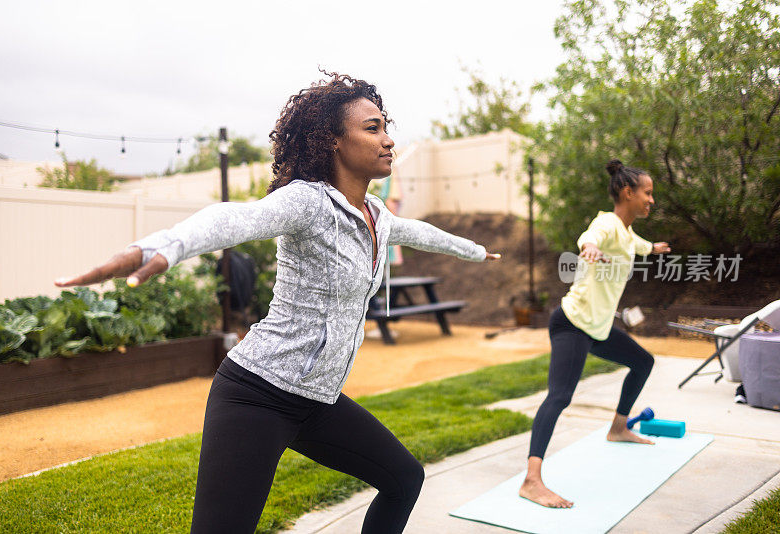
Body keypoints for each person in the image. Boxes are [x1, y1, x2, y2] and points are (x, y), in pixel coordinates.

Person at [55, 72, 500, 533]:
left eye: (386, 126)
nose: (388, 140)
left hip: (316, 401)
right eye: (372, 128)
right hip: (257, 394)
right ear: (332, 140)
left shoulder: (377, 215)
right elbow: (240, 217)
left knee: (404, 478)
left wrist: (475, 250)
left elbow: (423, 233)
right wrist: (159, 248)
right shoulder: (307, 202)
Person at [518, 159, 671, 509]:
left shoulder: (627, 232)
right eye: (647, 193)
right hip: (573, 324)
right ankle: (531, 480)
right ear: (628, 192)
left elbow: (638, 244)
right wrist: (587, 248)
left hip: (598, 328)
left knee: (643, 362)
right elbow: (592, 236)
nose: (652, 200)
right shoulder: (606, 223)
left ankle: (618, 428)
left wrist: (656, 248)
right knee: (559, 397)